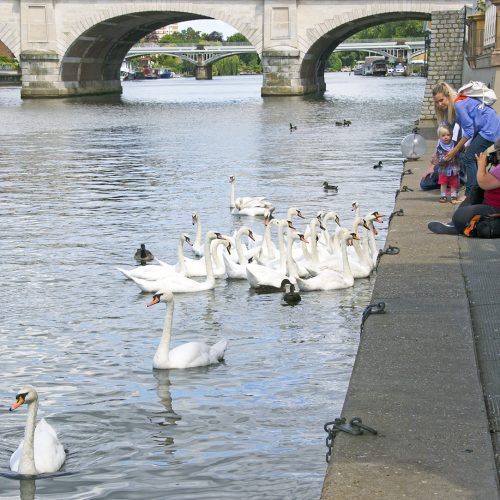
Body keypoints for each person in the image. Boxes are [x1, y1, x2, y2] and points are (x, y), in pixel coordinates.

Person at [432, 81, 500, 203]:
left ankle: (470, 195)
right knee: (472, 155)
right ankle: (479, 191)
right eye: (436, 102)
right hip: (484, 128)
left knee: (468, 158)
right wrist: (435, 154)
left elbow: (468, 131)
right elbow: (446, 128)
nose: (439, 104)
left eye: (441, 100)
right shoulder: (452, 107)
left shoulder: (458, 105)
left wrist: (455, 150)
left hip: (490, 128)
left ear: (448, 96)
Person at [428, 140, 500, 235]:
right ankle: (456, 225)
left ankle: (459, 228)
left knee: (459, 216)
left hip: (495, 209)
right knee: (472, 195)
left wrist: (481, 166)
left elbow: (483, 183)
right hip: (489, 203)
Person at [426, 125, 461, 203]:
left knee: (454, 183)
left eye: (448, 135)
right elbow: (437, 159)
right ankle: (443, 195)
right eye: (443, 135)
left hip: (454, 169)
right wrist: (443, 159)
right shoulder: (439, 147)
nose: (446, 137)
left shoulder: (455, 144)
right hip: (443, 169)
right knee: (443, 183)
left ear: (451, 135)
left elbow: (460, 151)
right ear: (439, 137)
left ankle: (453, 195)